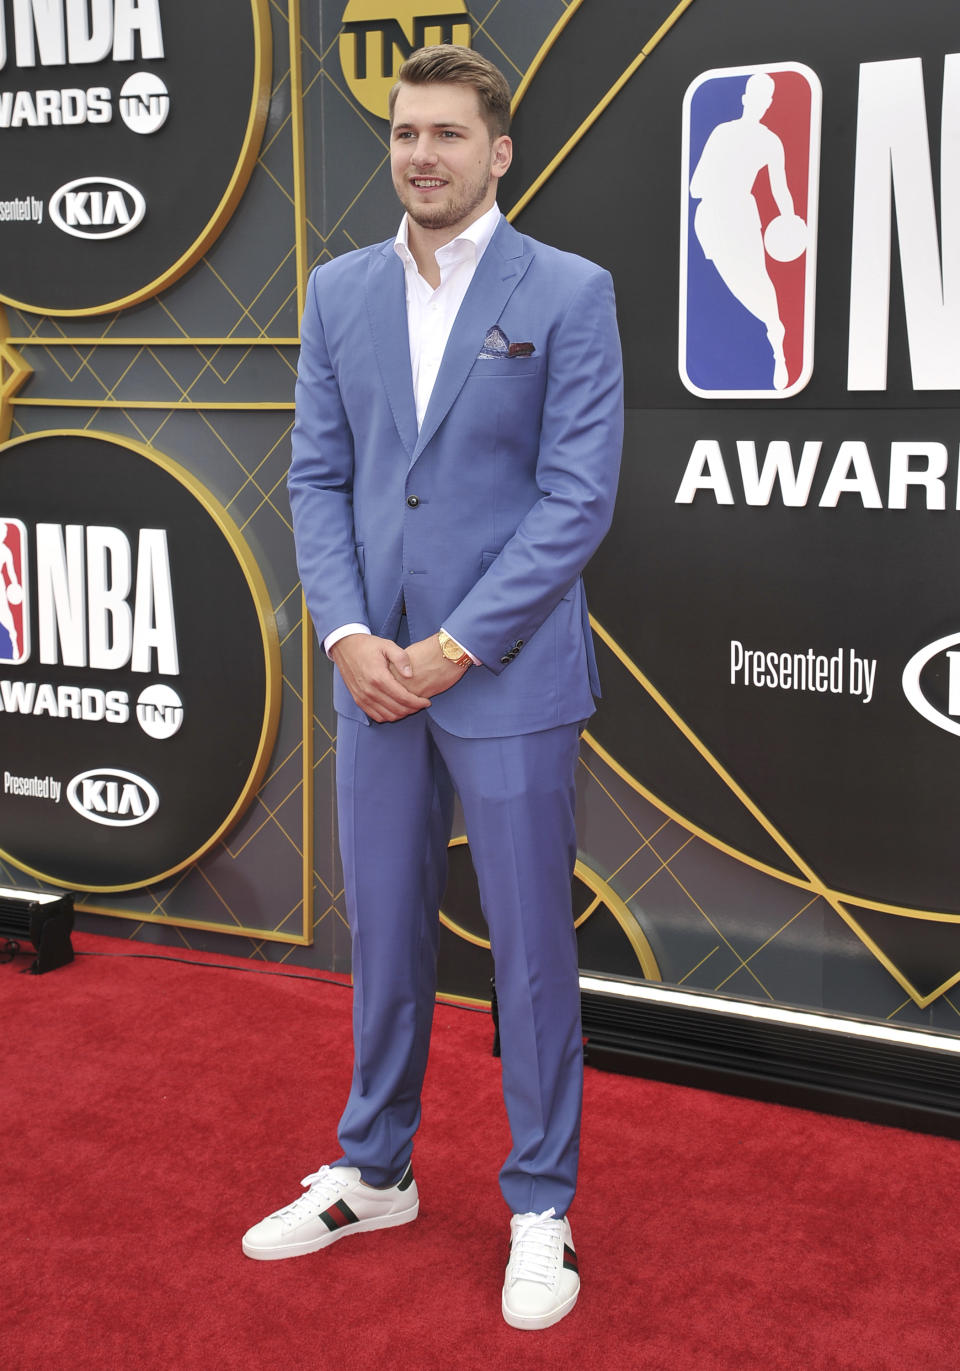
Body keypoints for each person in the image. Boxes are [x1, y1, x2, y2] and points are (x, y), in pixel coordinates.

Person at [242, 44, 623, 1332]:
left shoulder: (568, 292)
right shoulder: (340, 289)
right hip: (370, 676)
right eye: (406, 133)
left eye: (449, 135)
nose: (422, 154)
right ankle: (376, 1167)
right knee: (389, 937)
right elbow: (317, 478)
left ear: (497, 150)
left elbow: (576, 502)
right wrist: (348, 636)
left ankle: (539, 1205)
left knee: (527, 960)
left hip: (503, 674)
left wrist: (452, 647)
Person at [690, 71, 800, 390]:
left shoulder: (770, 141)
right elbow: (695, 185)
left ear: (768, 103)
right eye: (755, 96)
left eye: (764, 99)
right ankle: (770, 332)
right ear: (745, 99)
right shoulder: (722, 132)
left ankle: (777, 339)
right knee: (727, 284)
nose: (759, 103)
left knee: (756, 279)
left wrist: (790, 220)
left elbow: (781, 188)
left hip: (740, 216)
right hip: (711, 217)